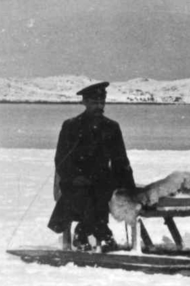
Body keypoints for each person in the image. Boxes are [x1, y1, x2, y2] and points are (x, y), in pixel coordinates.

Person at [47, 81, 136, 251]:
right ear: (85, 102)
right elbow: (61, 159)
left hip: (102, 180)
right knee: (85, 194)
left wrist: (129, 188)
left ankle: (84, 232)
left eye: (101, 102)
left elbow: (120, 160)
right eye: (95, 103)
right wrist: (73, 177)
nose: (99, 106)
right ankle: (101, 234)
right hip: (75, 180)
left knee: (100, 191)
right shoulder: (71, 126)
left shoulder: (111, 127)